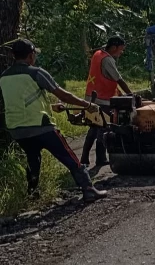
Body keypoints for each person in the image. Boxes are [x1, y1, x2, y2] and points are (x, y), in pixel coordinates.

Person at [0, 39, 107, 202]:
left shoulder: (4, 77)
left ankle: (32, 194)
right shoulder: (36, 72)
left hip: (17, 129)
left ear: (14, 55)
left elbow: (22, 101)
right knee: (68, 156)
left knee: (32, 159)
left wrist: (51, 106)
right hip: (41, 127)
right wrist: (88, 105)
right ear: (31, 55)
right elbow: (64, 95)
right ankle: (88, 188)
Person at [81, 36, 132, 167]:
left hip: (91, 97)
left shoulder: (97, 54)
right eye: (121, 50)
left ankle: (84, 158)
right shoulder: (108, 59)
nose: (121, 53)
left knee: (93, 128)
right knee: (103, 129)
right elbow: (118, 79)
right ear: (114, 47)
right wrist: (130, 94)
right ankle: (100, 159)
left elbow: (105, 78)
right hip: (102, 100)